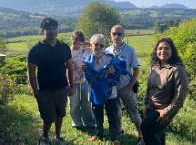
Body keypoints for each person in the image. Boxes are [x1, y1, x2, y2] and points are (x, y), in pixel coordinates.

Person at [27, 17, 75, 145]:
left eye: (54, 28)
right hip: (45, 90)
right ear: (43, 30)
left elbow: (70, 68)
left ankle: (58, 137)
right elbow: (31, 72)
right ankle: (44, 137)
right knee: (48, 118)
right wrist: (36, 91)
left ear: (57, 29)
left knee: (60, 114)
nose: (51, 31)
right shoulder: (35, 50)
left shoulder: (64, 47)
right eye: (48, 29)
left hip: (62, 88)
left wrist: (72, 85)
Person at [140, 37, 188, 145]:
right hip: (152, 107)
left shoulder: (177, 69)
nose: (163, 51)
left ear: (172, 51)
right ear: (156, 50)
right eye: (160, 48)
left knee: (145, 128)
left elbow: (180, 96)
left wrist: (166, 111)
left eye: (166, 48)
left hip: (164, 110)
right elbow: (150, 87)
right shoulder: (155, 66)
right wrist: (147, 103)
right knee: (158, 133)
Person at [105, 25, 144, 145]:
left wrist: (129, 87)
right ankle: (120, 130)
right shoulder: (107, 51)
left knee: (134, 113)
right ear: (110, 35)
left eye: (119, 34)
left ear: (123, 35)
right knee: (116, 112)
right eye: (114, 33)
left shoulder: (129, 50)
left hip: (126, 86)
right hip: (112, 87)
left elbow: (136, 70)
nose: (116, 36)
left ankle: (142, 136)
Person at [84, 34, 125, 145]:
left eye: (101, 45)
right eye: (96, 44)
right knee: (98, 116)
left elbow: (116, 76)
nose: (99, 47)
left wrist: (103, 78)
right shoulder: (87, 62)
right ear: (91, 45)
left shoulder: (111, 58)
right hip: (96, 93)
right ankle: (98, 133)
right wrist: (106, 72)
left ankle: (115, 138)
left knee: (113, 116)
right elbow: (90, 79)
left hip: (110, 93)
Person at [68, 31, 95, 129]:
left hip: (85, 81)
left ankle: (90, 123)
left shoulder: (86, 50)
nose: (77, 45)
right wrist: (70, 66)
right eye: (75, 42)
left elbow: (95, 45)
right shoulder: (68, 51)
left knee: (87, 102)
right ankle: (77, 123)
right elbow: (62, 64)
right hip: (72, 82)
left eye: (79, 43)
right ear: (71, 40)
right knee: (74, 103)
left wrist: (84, 42)